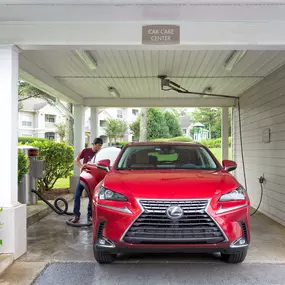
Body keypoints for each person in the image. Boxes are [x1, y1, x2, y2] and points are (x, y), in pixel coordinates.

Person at [69, 138, 103, 224]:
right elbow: (76, 160)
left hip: (93, 178)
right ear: (94, 144)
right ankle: (76, 215)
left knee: (91, 197)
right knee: (77, 195)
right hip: (83, 177)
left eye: (101, 146)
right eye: (99, 145)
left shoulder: (100, 154)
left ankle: (90, 216)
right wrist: (81, 166)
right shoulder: (86, 151)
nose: (99, 147)